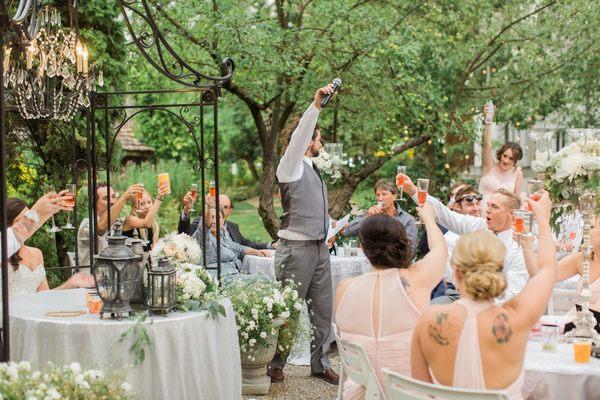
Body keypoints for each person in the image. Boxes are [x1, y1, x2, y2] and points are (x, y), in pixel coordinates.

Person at [411, 192, 556, 399]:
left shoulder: (427, 321)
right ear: (497, 270)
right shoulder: (518, 319)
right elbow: (548, 270)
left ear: (456, 272)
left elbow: (421, 393)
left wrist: (428, 220)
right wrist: (543, 218)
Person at [334, 204, 447, 398]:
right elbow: (440, 249)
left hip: (362, 394)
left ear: (362, 247)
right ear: (404, 242)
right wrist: (428, 218)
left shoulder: (344, 288)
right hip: (408, 394)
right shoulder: (416, 280)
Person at [267, 84, 339, 385]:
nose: (320, 142)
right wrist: (316, 107)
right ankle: (275, 362)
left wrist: (332, 227)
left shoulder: (311, 168)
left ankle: (320, 364)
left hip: (320, 249)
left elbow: (313, 209)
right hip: (295, 252)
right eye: (318, 138)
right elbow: (299, 137)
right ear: (309, 140)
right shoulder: (291, 164)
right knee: (289, 311)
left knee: (323, 312)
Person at [399, 173, 527, 302]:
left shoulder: (519, 247)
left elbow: (511, 293)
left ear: (512, 214)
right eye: (488, 205)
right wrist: (413, 190)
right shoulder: (482, 225)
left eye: (494, 207)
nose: (487, 210)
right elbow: (447, 215)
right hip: (458, 293)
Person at [7, 198, 94, 296]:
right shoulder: (4, 254)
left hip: (35, 310)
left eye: (29, 219)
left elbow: (44, 295)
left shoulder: (37, 253)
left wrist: (71, 283)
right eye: (21, 221)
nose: (28, 224)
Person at [520, 217, 600, 323]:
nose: (586, 231)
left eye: (592, 227)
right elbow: (540, 276)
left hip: (588, 324)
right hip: (578, 322)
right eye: (585, 226)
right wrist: (526, 245)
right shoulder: (580, 259)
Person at [192, 207, 270, 283]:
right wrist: (208, 207)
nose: (214, 221)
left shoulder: (222, 237)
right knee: (264, 280)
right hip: (219, 281)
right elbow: (204, 226)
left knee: (265, 277)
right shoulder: (203, 237)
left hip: (235, 277)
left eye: (218, 217)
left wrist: (256, 252)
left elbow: (240, 248)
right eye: (212, 217)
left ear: (223, 222)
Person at [77, 183, 143, 266]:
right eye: (106, 198)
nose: (112, 202)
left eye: (114, 196)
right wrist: (124, 198)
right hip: (90, 277)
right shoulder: (86, 224)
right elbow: (100, 229)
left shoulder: (115, 224)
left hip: (110, 276)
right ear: (95, 203)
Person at [179, 192, 275, 249]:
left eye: (225, 207)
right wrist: (187, 210)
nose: (220, 209)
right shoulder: (203, 222)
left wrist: (270, 245)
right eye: (218, 205)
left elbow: (246, 244)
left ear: (229, 211)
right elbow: (185, 233)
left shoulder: (233, 226)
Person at [343, 180, 417, 252]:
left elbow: (410, 251)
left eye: (384, 194)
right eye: (378, 195)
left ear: (394, 197)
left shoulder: (407, 220)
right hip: (371, 262)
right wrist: (367, 217)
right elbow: (347, 231)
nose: (380, 199)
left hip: (395, 263)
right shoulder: (372, 214)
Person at [479, 103, 524, 209]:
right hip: (481, 214)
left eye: (511, 158)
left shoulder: (517, 173)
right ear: (501, 155)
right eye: (505, 155)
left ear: (515, 160)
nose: (506, 160)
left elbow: (516, 202)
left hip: (502, 219)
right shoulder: (490, 166)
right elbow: (487, 145)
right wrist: (488, 121)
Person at [1, 191, 70, 259]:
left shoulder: (37, 253)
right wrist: (35, 212)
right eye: (20, 221)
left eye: (27, 215)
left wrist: (49, 212)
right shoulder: (4, 257)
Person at [122, 183, 169, 251]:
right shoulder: (130, 219)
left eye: (149, 202)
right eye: (142, 204)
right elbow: (146, 223)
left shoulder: (155, 226)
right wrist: (159, 198)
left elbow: (154, 249)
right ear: (135, 207)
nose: (147, 206)